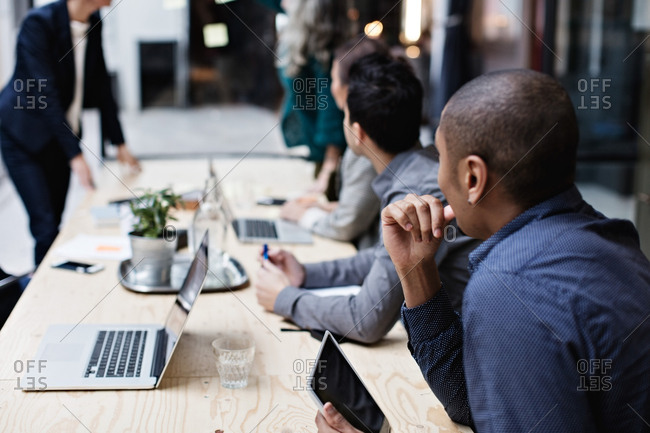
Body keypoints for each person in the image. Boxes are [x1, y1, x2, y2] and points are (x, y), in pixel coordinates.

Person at [317, 69, 650, 431]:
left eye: (441, 158)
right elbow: (471, 401)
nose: (437, 176)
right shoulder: (614, 239)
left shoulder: (509, 285)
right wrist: (417, 270)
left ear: (472, 178)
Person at [255, 53, 477, 344]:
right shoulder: (419, 169)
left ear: (357, 132)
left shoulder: (415, 191)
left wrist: (286, 299)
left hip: (458, 348)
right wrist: (306, 274)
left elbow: (366, 320)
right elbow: (383, 261)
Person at [0, 0, 140, 266]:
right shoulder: (38, 24)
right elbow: (45, 94)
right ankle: (39, 297)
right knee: (45, 226)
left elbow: (101, 85)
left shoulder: (94, 22)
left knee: (56, 222)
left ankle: (48, 281)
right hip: (22, 137)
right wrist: (75, 155)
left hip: (58, 136)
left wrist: (119, 142)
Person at [279, 36, 389, 249]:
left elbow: (348, 224)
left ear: (351, 86)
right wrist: (323, 207)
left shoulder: (365, 139)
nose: (331, 89)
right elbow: (362, 208)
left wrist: (304, 215)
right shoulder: (375, 127)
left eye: (333, 80)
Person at [260, 0, 349, 199]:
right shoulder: (305, 30)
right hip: (316, 152)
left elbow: (331, 110)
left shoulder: (323, 52)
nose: (283, 2)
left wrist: (329, 166)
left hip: (329, 160)